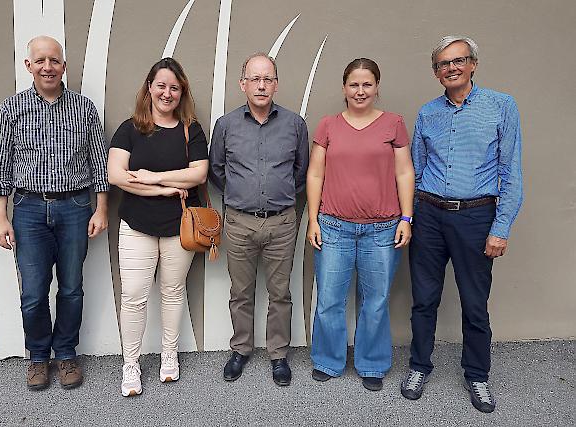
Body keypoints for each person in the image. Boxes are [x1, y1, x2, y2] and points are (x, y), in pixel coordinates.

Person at [401, 36, 523, 413]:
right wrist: (411, 217)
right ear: (436, 73)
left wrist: (500, 227)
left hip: (476, 216)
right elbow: (416, 171)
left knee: (474, 303)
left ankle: (477, 375)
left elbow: (511, 172)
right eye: (443, 64)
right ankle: (419, 366)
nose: (451, 68)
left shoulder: (501, 106)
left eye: (458, 61)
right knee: (424, 299)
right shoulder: (427, 113)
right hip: (430, 216)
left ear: (473, 64)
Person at [0, 35, 109, 390]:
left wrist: (100, 210)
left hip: (75, 207)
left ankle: (66, 353)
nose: (48, 67)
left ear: (64, 66)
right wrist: (1, 217)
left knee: (71, 288)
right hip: (28, 209)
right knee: (34, 292)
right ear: (29, 66)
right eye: (40, 61)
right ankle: (38, 357)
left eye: (54, 60)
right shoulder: (12, 109)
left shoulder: (84, 108)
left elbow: (99, 165)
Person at [306, 58, 414, 391]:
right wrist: (313, 220)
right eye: (354, 84)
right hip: (334, 227)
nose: (360, 90)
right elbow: (315, 173)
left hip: (382, 229)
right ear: (344, 88)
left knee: (376, 300)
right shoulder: (328, 125)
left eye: (367, 84)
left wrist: (407, 218)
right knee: (329, 300)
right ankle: (328, 359)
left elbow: (404, 172)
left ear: (377, 87)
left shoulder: (393, 124)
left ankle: (372, 364)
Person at [108, 58, 208, 397]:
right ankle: (131, 364)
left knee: (172, 291)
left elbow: (198, 174)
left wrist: (153, 176)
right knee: (134, 296)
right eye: (161, 85)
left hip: (179, 227)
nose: (167, 93)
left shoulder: (190, 129)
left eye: (174, 88)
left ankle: (169, 356)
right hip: (137, 225)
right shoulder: (130, 129)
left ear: (182, 93)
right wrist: (165, 189)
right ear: (149, 87)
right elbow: (117, 176)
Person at [209, 53, 309, 386]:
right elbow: (217, 170)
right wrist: (243, 196)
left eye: (268, 79)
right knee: (241, 292)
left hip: (282, 223)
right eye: (255, 79)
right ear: (243, 84)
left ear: (276, 84)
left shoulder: (295, 125)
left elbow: (301, 173)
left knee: (280, 293)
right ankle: (241, 349)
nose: (262, 85)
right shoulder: (226, 125)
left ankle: (278, 355)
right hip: (238, 223)